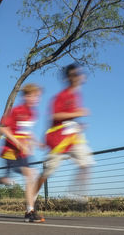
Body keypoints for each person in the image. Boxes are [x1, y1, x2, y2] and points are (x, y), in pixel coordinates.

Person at [32, 63, 96, 220]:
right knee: (46, 174)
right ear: (68, 77)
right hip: (58, 141)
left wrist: (78, 124)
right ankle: (30, 202)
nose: (78, 77)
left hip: (74, 138)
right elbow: (55, 116)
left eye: (79, 74)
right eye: (75, 74)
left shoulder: (76, 95)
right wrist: (76, 113)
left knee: (87, 163)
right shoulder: (61, 96)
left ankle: (74, 193)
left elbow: (69, 118)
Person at [0, 83, 44, 223]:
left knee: (30, 176)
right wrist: (17, 142)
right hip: (10, 152)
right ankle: (29, 211)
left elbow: (27, 133)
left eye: (38, 96)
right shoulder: (16, 110)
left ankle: (30, 209)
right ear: (27, 96)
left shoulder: (32, 113)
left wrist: (36, 142)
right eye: (34, 96)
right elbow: (3, 129)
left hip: (23, 153)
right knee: (22, 177)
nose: (37, 99)